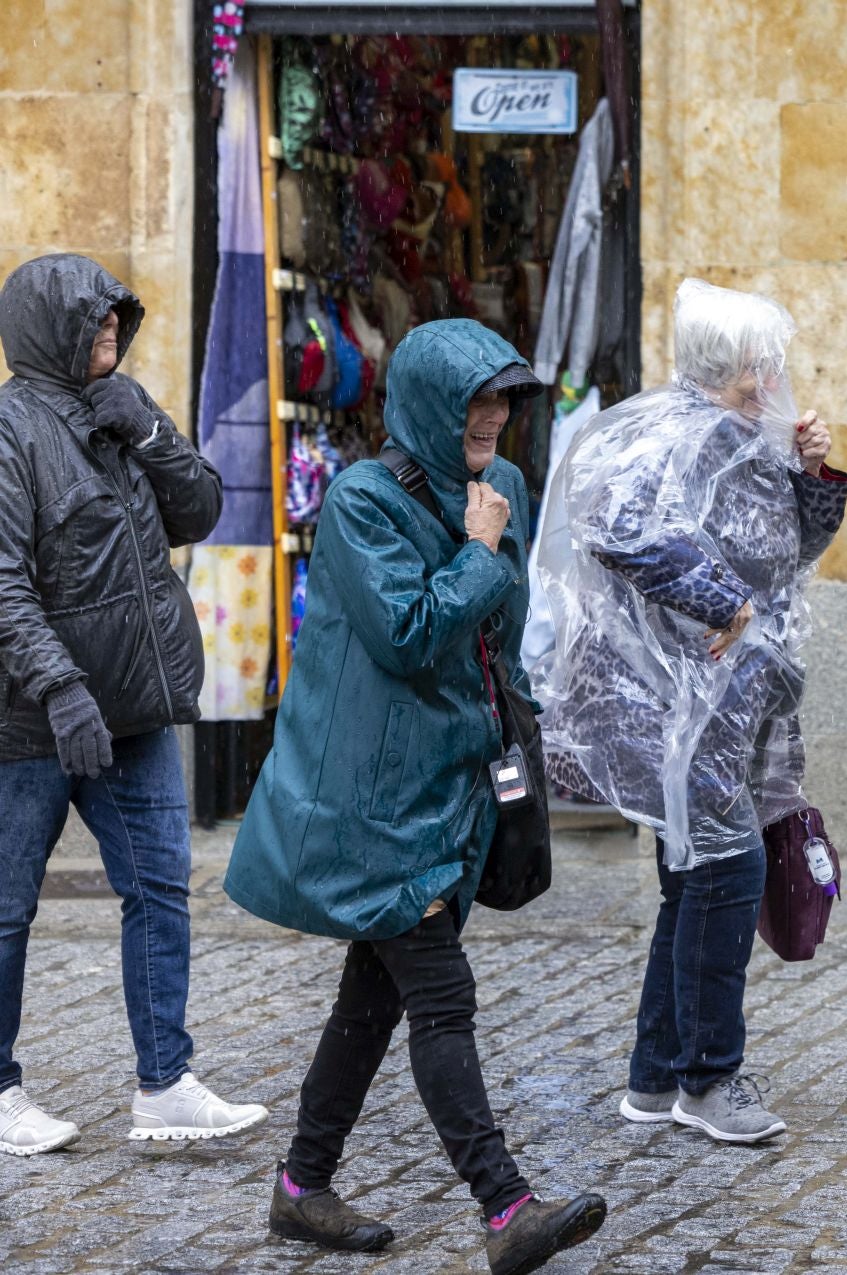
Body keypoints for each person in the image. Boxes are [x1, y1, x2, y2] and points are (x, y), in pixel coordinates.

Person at [223, 320, 605, 1272]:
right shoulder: (361, 501)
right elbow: (405, 631)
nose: (491, 418)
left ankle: (301, 1188)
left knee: (372, 997)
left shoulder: (503, 487)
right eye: (475, 400)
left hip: (449, 780)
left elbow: (500, 633)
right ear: (432, 403)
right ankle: (506, 1206)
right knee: (441, 991)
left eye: (502, 400)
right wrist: (479, 551)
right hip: (370, 793)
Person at [533, 280, 847, 1145]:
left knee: (693, 878)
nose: (777, 372)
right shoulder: (677, 436)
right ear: (737, 364)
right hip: (679, 704)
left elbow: (789, 549)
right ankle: (709, 1081)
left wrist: (812, 472)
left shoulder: (747, 437)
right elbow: (614, 523)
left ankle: (655, 1077)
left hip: (727, 704)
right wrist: (720, 599)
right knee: (729, 870)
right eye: (766, 360)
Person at [0, 254, 268, 1155]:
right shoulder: (9, 429)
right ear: (52, 328)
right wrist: (60, 686)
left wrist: (151, 432)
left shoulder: (124, 408)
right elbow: (2, 583)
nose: (113, 327)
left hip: (135, 710)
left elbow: (198, 512)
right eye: (96, 317)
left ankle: (165, 1085)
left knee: (158, 888)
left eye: (119, 314)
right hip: (32, 718)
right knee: (6, 907)